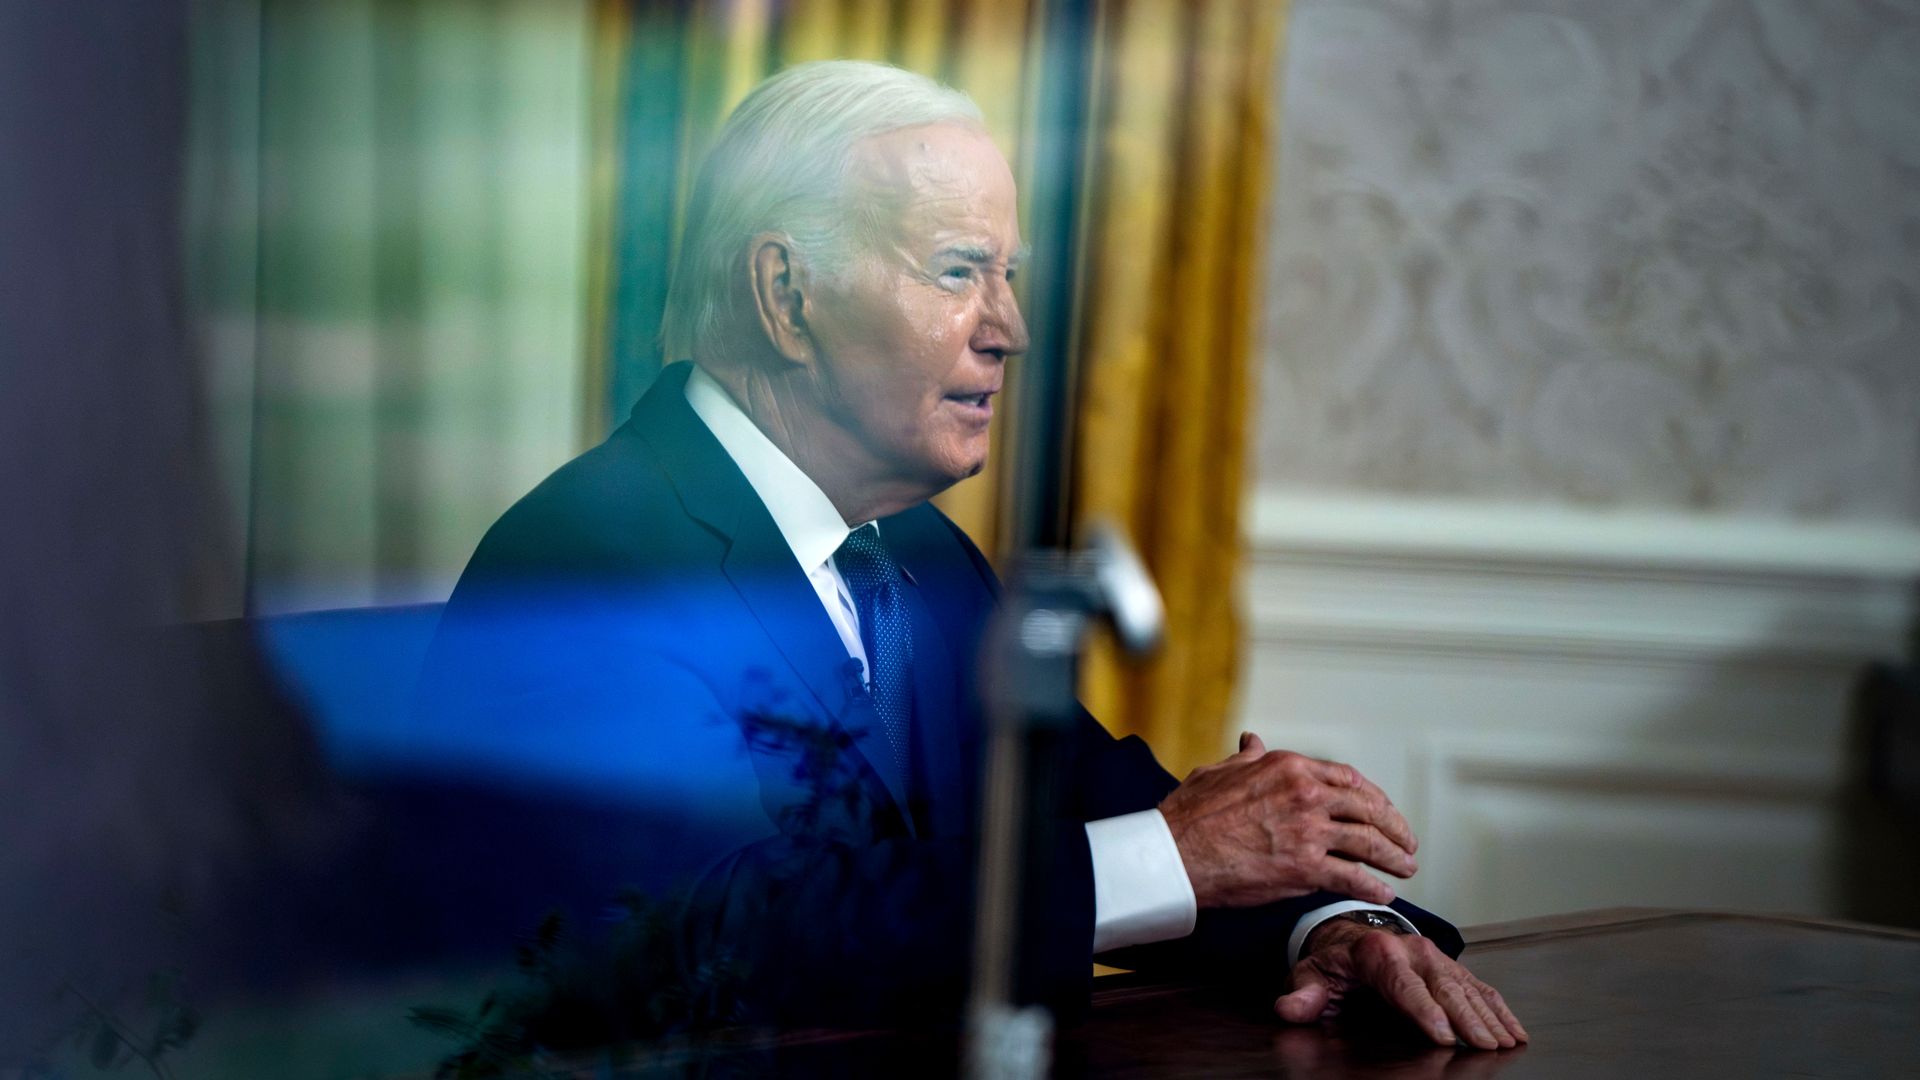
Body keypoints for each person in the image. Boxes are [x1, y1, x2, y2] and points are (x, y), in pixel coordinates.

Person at [417, 59, 1524, 1050]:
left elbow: (1071, 805)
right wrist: (1180, 852)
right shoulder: (588, 558)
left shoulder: (912, 550)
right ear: (785, 294)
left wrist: (1327, 922)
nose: (1009, 328)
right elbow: (727, 935)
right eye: (957, 273)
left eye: (1008, 275)